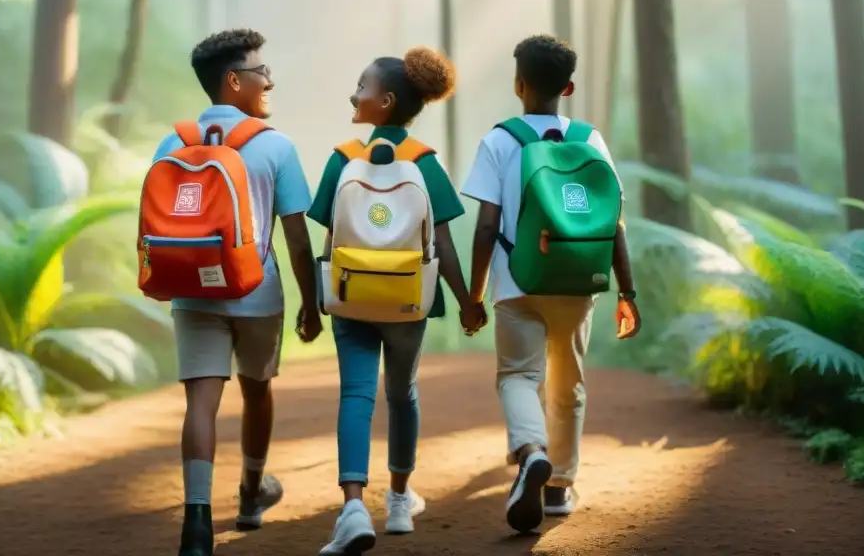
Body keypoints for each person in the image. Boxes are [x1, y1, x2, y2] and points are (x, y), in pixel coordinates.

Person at [307, 47, 486, 555]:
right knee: (402, 393)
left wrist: (320, 294)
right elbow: (443, 243)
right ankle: (401, 498)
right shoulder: (423, 162)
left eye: (361, 85)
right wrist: (468, 302)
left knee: (355, 395)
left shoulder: (344, 157)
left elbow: (328, 231)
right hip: (409, 297)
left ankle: (353, 508)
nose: (353, 92)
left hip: (350, 295)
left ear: (383, 102)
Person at [153, 29, 324, 556]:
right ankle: (251, 494)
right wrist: (310, 305)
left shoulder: (172, 142)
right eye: (259, 71)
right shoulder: (275, 145)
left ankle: (197, 523)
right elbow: (297, 239)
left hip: (190, 288)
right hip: (256, 290)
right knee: (257, 389)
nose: (269, 79)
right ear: (233, 81)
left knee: (200, 403)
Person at [460, 34, 641, 533]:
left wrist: (473, 297)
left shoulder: (500, 140)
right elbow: (613, 222)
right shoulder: (590, 140)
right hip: (577, 282)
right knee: (569, 383)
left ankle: (531, 450)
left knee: (518, 376)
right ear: (570, 86)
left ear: (519, 84)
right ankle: (559, 487)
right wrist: (627, 292)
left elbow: (485, 227)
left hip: (517, 283)